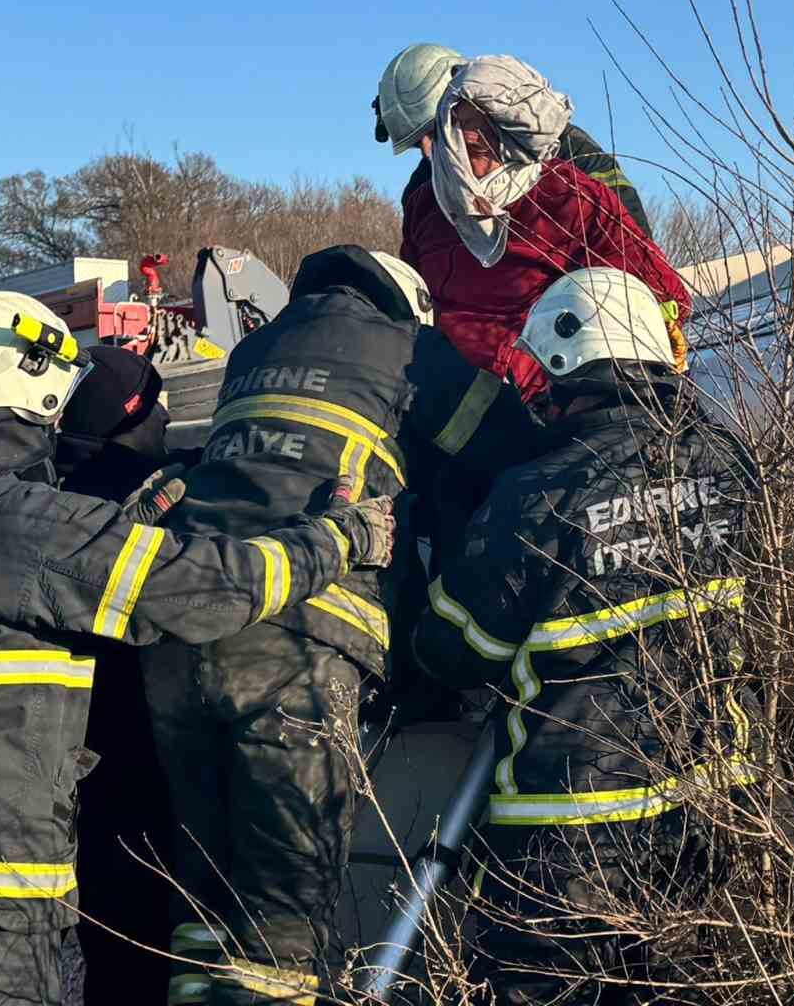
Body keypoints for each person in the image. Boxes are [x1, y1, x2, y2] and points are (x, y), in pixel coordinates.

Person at [0, 290, 394, 1006]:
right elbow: (215, 590)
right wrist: (342, 538)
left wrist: (122, 526)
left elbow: (4, 595)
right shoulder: (34, 525)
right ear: (45, 381)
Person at [148, 245, 540, 1005]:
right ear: (404, 301)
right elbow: (507, 446)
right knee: (281, 928)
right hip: (297, 644)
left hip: (179, 637)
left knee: (203, 905)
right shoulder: (402, 347)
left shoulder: (252, 352)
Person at [413, 268, 760, 1005]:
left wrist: (452, 531)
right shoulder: (732, 464)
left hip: (566, 844)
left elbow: (454, 647)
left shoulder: (539, 495)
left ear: (562, 368)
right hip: (716, 820)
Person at [401, 54, 692, 403]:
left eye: (476, 147)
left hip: (546, 405)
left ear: (513, 140)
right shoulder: (425, 207)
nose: (444, 155)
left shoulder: (573, 199)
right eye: (446, 136)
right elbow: (410, 306)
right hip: (441, 400)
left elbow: (662, 295)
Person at [53, 346, 180, 1003]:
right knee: (146, 927)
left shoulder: (44, 492)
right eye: (155, 404)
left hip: (76, 758)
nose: (165, 413)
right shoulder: (135, 494)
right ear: (127, 418)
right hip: (133, 743)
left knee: (107, 929)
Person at [374, 42, 657, 238]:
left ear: (462, 106)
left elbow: (630, 232)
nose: (426, 152)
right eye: (415, 143)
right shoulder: (422, 192)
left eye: (434, 131)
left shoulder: (565, 148)